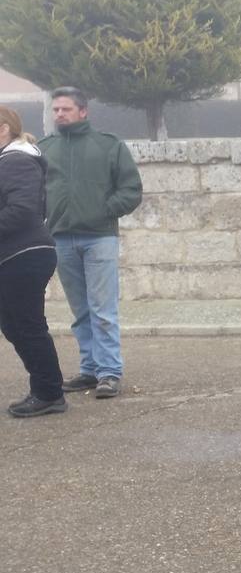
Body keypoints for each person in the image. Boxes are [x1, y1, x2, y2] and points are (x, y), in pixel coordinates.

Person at [38, 88, 142, 400]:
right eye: (55, 109)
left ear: (83, 111)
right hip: (61, 239)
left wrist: (103, 210)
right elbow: (36, 192)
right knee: (80, 310)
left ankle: (109, 372)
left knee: (103, 309)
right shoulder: (45, 149)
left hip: (99, 238)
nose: (59, 115)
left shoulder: (109, 146)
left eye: (65, 109)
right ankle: (90, 369)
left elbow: (131, 190)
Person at [0, 107, 66, 418]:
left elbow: (23, 211)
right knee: (16, 325)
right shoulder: (11, 160)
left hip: (24, 255)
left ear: (3, 129)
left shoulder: (16, 160)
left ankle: (49, 393)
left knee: (26, 326)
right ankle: (45, 389)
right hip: (17, 256)